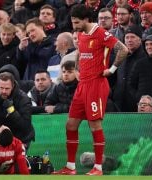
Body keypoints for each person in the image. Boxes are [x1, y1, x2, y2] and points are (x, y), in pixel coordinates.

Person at [52, 4, 128, 175]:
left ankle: (98, 168)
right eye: (73, 22)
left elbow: (123, 49)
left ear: (86, 19)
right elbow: (80, 50)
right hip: (82, 85)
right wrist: (78, 68)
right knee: (70, 125)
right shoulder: (81, 34)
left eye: (77, 22)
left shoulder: (100, 33)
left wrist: (111, 70)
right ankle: (70, 167)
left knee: (95, 125)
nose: (74, 26)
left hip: (96, 84)